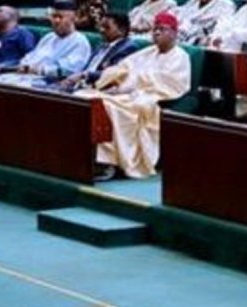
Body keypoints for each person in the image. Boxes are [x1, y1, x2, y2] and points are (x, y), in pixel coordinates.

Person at [78, 11, 191, 180]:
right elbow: (124, 67)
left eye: (162, 29)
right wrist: (112, 80)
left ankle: (108, 163)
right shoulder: (148, 51)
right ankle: (85, 155)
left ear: (174, 33)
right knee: (83, 96)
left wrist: (128, 88)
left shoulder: (180, 56)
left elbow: (171, 83)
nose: (157, 32)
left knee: (108, 107)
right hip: (127, 93)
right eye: (155, 29)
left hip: (148, 98)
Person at [0, 0, 90, 85]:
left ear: (73, 19)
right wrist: (23, 66)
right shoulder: (49, 37)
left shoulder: (80, 41)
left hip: (48, 83)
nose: (56, 21)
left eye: (60, 17)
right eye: (54, 16)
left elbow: (68, 70)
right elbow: (30, 57)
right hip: (26, 77)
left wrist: (37, 69)